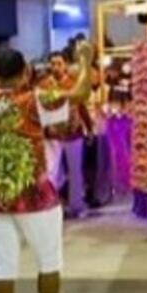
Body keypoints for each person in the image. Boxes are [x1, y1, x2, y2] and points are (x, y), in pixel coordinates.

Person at [0, 44, 93, 293]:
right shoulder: (32, 102)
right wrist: (85, 62)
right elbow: (79, 94)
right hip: (34, 195)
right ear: (25, 71)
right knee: (48, 261)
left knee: (1, 265)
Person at [39, 51, 89, 218]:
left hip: (73, 133)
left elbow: (82, 107)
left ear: (65, 65)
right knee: (52, 172)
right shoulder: (44, 86)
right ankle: (51, 206)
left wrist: (89, 126)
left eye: (59, 63)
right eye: (52, 64)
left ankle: (76, 206)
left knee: (75, 172)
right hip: (52, 136)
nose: (55, 67)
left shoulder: (73, 84)